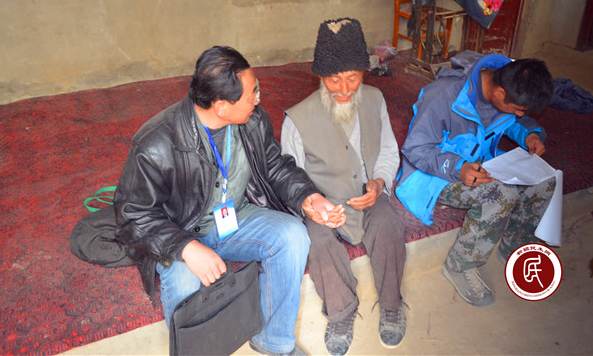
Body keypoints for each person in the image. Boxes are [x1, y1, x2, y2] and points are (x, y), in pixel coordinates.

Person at [114, 46, 344, 356]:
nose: (258, 99)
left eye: (256, 89)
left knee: (292, 236)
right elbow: (132, 215)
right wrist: (186, 247)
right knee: (184, 282)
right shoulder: (155, 143)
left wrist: (309, 197)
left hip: (234, 217)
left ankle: (274, 343)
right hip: (179, 231)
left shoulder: (252, 119)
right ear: (221, 106)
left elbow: (275, 165)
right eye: (251, 95)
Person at [281, 18, 407, 355]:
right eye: (333, 79)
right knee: (318, 242)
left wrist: (379, 183)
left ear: (364, 73)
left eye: (352, 78)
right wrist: (314, 204)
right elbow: (289, 176)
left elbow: (388, 151)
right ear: (320, 76)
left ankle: (391, 306)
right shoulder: (297, 118)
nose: (344, 89)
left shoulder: (375, 100)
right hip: (322, 203)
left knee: (389, 225)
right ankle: (341, 313)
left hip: (368, 195)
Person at [395, 50, 556, 307]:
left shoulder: (508, 82)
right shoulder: (443, 96)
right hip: (434, 174)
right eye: (519, 109)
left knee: (544, 179)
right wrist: (458, 167)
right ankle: (460, 264)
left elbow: (512, 119)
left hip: (480, 161)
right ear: (499, 93)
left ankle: (515, 244)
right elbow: (416, 149)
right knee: (500, 194)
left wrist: (530, 134)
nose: (520, 114)